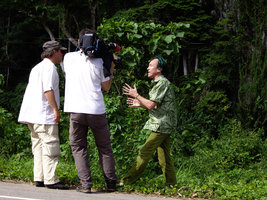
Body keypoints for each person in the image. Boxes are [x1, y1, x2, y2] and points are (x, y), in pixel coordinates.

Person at [62, 28, 118, 193]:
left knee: (79, 147)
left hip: (76, 110)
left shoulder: (68, 58)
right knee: (104, 147)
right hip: (96, 109)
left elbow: (69, 69)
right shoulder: (101, 61)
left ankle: (86, 185)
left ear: (79, 42)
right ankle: (111, 183)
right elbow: (106, 87)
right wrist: (111, 65)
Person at [18, 41, 69, 189]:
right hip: (44, 114)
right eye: (60, 51)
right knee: (50, 146)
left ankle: (39, 177)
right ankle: (51, 180)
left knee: (38, 147)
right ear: (54, 52)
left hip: (31, 115)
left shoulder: (37, 67)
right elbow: (48, 90)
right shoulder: (50, 68)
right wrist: (55, 109)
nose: (62, 54)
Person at [121, 56, 177, 186]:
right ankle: (172, 184)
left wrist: (136, 95)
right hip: (164, 124)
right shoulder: (159, 83)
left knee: (144, 153)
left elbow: (151, 105)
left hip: (161, 124)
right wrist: (140, 103)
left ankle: (126, 182)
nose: (148, 67)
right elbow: (155, 105)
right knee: (165, 158)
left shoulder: (162, 83)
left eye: (151, 65)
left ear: (159, 69)